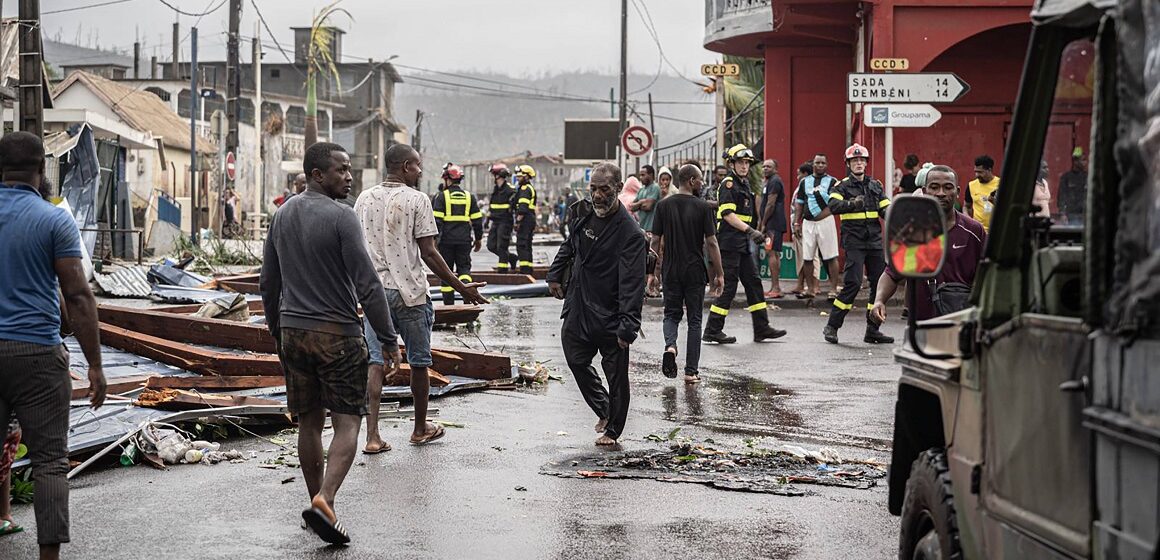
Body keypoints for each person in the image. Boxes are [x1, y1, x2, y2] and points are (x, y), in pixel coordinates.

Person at [260, 141, 402, 545]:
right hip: (337, 334)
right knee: (347, 421)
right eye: (341, 170)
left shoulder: (282, 214)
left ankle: (318, 505)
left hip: (293, 333)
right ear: (317, 175)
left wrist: (276, 328)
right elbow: (368, 284)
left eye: (350, 169)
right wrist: (389, 339)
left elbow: (269, 282)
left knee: (309, 421)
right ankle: (325, 499)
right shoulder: (343, 217)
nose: (349, 176)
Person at [0, 131, 106, 560]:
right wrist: (96, 366)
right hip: (37, 355)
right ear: (42, 170)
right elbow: (78, 296)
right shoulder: (54, 219)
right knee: (49, 462)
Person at [354, 144, 489, 455]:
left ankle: (372, 437)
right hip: (410, 293)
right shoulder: (417, 200)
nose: (420, 171)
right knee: (419, 362)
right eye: (416, 166)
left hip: (374, 294)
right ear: (404, 167)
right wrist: (462, 288)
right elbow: (429, 253)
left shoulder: (363, 199)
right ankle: (419, 429)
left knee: (374, 361)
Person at [547, 163, 647, 446]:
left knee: (616, 374)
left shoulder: (630, 234)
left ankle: (613, 430)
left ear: (617, 189)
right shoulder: (582, 212)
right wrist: (555, 274)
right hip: (579, 303)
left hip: (611, 310)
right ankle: (604, 409)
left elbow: (632, 282)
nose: (598, 196)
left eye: (605, 190)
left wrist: (628, 325)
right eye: (594, 189)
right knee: (575, 358)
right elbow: (571, 245)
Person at [872, 165, 986, 322]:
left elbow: (988, 275)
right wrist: (879, 301)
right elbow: (891, 274)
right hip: (920, 325)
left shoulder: (974, 231)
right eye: (934, 187)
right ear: (924, 191)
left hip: (962, 324)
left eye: (947, 188)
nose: (941, 193)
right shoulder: (911, 231)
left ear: (958, 192)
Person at [702, 144, 788, 344]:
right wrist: (750, 231)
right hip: (730, 242)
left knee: (754, 283)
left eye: (747, 163)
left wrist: (751, 231)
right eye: (740, 162)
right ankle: (712, 330)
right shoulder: (729, 184)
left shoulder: (744, 184)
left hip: (741, 242)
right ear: (731, 163)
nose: (744, 166)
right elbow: (728, 214)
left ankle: (761, 328)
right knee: (729, 286)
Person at [648, 164, 724, 383]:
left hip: (671, 270)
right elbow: (711, 242)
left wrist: (652, 272)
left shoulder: (663, 206)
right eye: (700, 179)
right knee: (694, 320)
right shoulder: (703, 207)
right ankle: (691, 372)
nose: (702, 183)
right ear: (691, 181)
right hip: (694, 270)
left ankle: (670, 346)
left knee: (671, 315)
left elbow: (655, 241)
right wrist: (718, 274)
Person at [822, 143, 895, 345]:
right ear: (848, 164)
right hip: (854, 241)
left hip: (874, 241)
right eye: (855, 160)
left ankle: (873, 330)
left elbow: (885, 208)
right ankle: (832, 326)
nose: (859, 163)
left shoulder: (875, 186)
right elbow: (833, 205)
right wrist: (852, 204)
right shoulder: (841, 186)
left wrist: (898, 217)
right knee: (853, 283)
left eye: (862, 160)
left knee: (879, 285)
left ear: (866, 163)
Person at [431, 164, 484, 305]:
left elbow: (436, 222)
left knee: (446, 272)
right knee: (464, 270)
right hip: (464, 241)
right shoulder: (469, 197)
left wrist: (434, 241)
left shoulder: (442, 197)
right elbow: (477, 221)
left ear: (447, 180)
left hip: (446, 241)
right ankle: (468, 302)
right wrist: (478, 239)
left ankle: (449, 306)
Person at [793, 154, 842, 298]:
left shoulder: (833, 182)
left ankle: (833, 289)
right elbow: (799, 203)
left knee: (831, 256)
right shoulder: (804, 182)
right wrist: (797, 222)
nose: (820, 165)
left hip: (826, 221)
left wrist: (826, 213)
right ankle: (810, 289)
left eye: (823, 163)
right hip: (808, 223)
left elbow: (836, 202)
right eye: (817, 163)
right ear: (813, 164)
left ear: (826, 165)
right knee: (807, 257)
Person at [789, 161, 821, 297]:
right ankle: (801, 284)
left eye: (799, 174)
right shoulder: (802, 187)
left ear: (805, 174)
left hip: (804, 224)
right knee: (802, 255)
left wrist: (799, 223)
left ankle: (815, 285)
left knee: (811, 255)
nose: (797, 177)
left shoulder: (809, 188)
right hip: (798, 224)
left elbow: (803, 207)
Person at [759, 159, 788, 298]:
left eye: (769, 166)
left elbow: (770, 204)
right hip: (773, 224)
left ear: (776, 168)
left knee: (771, 253)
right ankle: (774, 287)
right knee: (774, 253)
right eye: (764, 166)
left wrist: (763, 223)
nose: (765, 168)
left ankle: (776, 288)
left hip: (773, 224)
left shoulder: (775, 181)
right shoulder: (769, 182)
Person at [485, 163, 519, 272]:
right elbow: (491, 207)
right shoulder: (496, 190)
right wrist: (487, 221)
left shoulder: (510, 190)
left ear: (499, 175)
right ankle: (512, 258)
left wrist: (517, 222)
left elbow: (516, 206)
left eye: (493, 175)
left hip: (505, 222)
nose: (492, 177)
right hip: (495, 221)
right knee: (491, 245)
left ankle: (503, 269)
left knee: (502, 246)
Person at [513, 165, 538, 274]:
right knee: (527, 244)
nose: (518, 178)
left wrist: (518, 221)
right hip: (530, 219)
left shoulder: (525, 189)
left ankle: (524, 270)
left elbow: (522, 208)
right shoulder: (529, 188)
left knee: (521, 244)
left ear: (527, 177)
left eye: (520, 176)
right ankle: (528, 269)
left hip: (525, 219)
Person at [966, 154, 1000, 231]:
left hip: (997, 231)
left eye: (980, 172)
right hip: (978, 231)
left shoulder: (1001, 184)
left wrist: (994, 202)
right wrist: (968, 219)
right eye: (975, 172)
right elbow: (966, 206)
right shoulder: (971, 185)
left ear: (989, 170)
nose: (977, 175)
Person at [629, 164, 661, 234]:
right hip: (641, 228)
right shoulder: (641, 190)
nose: (640, 177)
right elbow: (631, 207)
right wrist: (641, 202)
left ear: (651, 175)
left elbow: (648, 207)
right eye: (640, 175)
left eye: (643, 175)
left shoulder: (655, 187)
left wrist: (638, 205)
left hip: (651, 229)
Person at [1058, 148, 1087, 225]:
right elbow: (1062, 196)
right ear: (1075, 161)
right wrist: (1062, 213)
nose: (1085, 163)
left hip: (1084, 215)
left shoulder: (1087, 177)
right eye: (1082, 160)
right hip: (1071, 215)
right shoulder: (1066, 178)